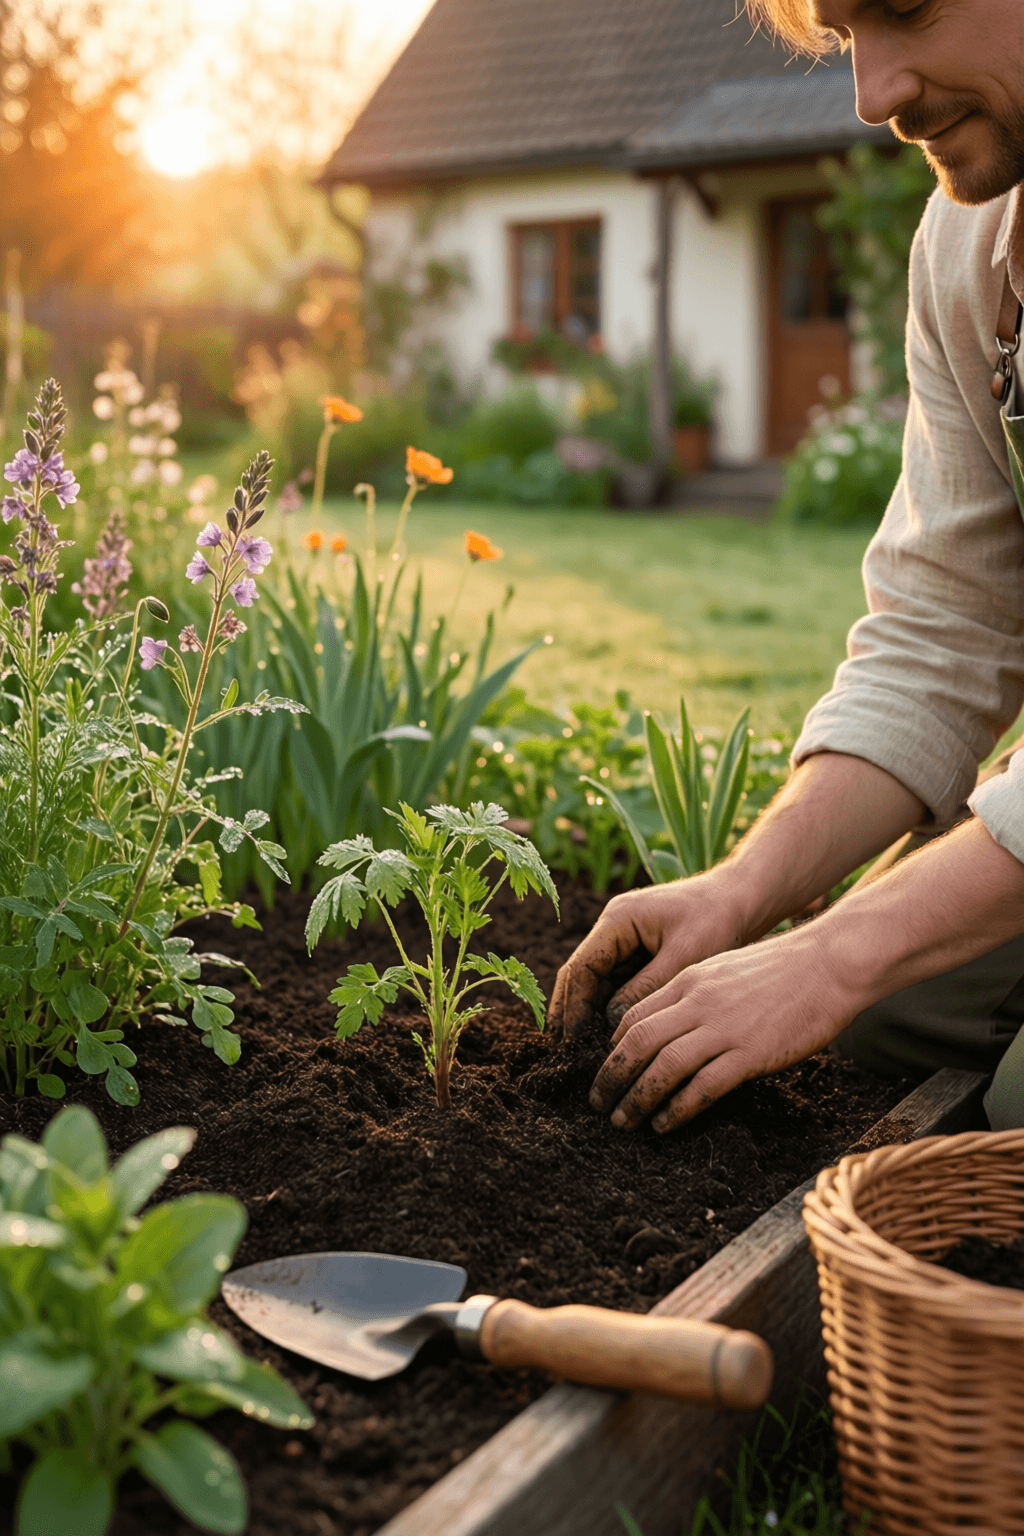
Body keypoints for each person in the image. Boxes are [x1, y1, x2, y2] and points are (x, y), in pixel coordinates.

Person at [549, 0, 1024, 1136]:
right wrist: (749, 894)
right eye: (845, 36)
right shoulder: (967, 252)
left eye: (906, 11)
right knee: (880, 1018)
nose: (873, 96)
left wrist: (831, 954)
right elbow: (941, 633)